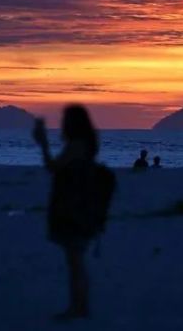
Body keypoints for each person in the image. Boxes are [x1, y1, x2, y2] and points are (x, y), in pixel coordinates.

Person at [33, 104, 114, 321]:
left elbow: (53, 167)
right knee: (76, 260)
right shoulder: (86, 145)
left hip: (74, 208)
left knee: (75, 261)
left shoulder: (76, 146)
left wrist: (42, 143)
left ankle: (77, 308)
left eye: (65, 118)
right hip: (82, 207)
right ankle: (81, 306)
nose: (62, 122)